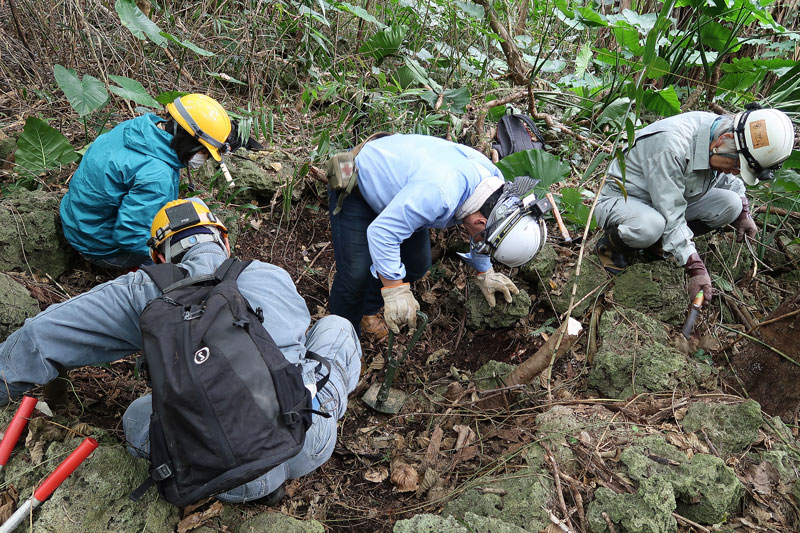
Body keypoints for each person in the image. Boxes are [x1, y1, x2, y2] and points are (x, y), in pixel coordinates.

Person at [0, 198, 361, 505]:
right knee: (337, 328)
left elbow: (39, 337)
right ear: (225, 242)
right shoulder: (272, 275)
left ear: (159, 256)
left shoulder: (140, 291)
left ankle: (254, 484)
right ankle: (287, 457)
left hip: (222, 472)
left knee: (139, 417)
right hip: (307, 440)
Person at [327, 133, 550, 339]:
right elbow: (382, 232)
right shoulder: (440, 195)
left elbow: (488, 231)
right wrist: (394, 290)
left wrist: (485, 271)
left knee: (417, 264)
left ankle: (367, 310)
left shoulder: (495, 188)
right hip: (359, 184)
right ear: (479, 222)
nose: (481, 244)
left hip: (403, 192)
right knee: (355, 275)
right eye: (484, 244)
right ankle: (340, 343)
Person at [594, 106, 795, 303]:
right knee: (650, 226)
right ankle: (610, 247)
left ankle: (656, 245)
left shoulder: (718, 134)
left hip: (666, 200)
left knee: (731, 204)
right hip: (625, 199)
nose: (735, 172)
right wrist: (695, 268)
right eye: (737, 166)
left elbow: (727, 180)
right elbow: (671, 213)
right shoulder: (671, 146)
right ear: (724, 141)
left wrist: (744, 212)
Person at [60, 94, 232, 269]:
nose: (204, 159)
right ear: (191, 143)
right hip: (98, 245)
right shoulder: (157, 176)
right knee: (180, 263)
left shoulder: (140, 128)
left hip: (76, 218)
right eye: (205, 153)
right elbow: (129, 236)